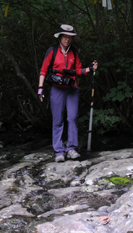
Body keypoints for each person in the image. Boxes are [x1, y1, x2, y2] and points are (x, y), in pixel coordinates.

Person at [38, 24, 98, 162]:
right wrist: (40, 89)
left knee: (72, 118)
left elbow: (78, 71)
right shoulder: (52, 51)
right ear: (60, 37)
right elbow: (43, 71)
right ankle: (59, 151)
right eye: (65, 36)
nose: (67, 39)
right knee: (58, 120)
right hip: (57, 89)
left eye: (70, 37)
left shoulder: (74, 53)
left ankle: (71, 148)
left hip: (72, 89)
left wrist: (90, 69)